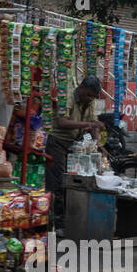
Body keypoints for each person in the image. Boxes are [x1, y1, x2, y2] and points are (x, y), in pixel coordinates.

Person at [45, 75, 105, 224]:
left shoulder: (90, 101)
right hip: (57, 143)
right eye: (89, 94)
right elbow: (62, 122)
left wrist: (97, 145)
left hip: (74, 144)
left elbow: (93, 124)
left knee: (73, 181)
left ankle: (68, 219)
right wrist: (87, 125)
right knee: (57, 183)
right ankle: (55, 221)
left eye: (93, 96)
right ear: (81, 88)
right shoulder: (68, 96)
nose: (90, 98)